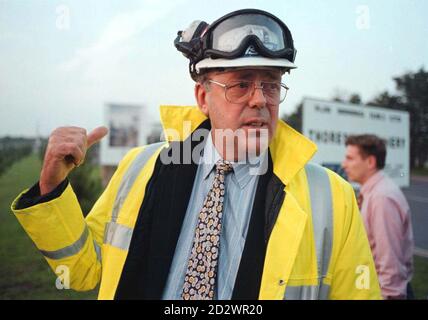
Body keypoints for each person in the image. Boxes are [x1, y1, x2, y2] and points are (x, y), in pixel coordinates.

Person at [11, 9, 381, 300]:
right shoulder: (142, 167)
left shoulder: (331, 196)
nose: (260, 99)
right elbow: (84, 270)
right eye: (240, 85)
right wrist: (51, 189)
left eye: (271, 84)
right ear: (203, 98)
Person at [342, 134, 414, 299]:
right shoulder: (374, 192)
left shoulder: (381, 198)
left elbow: (390, 266)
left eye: (350, 158)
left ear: (370, 162)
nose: (344, 164)